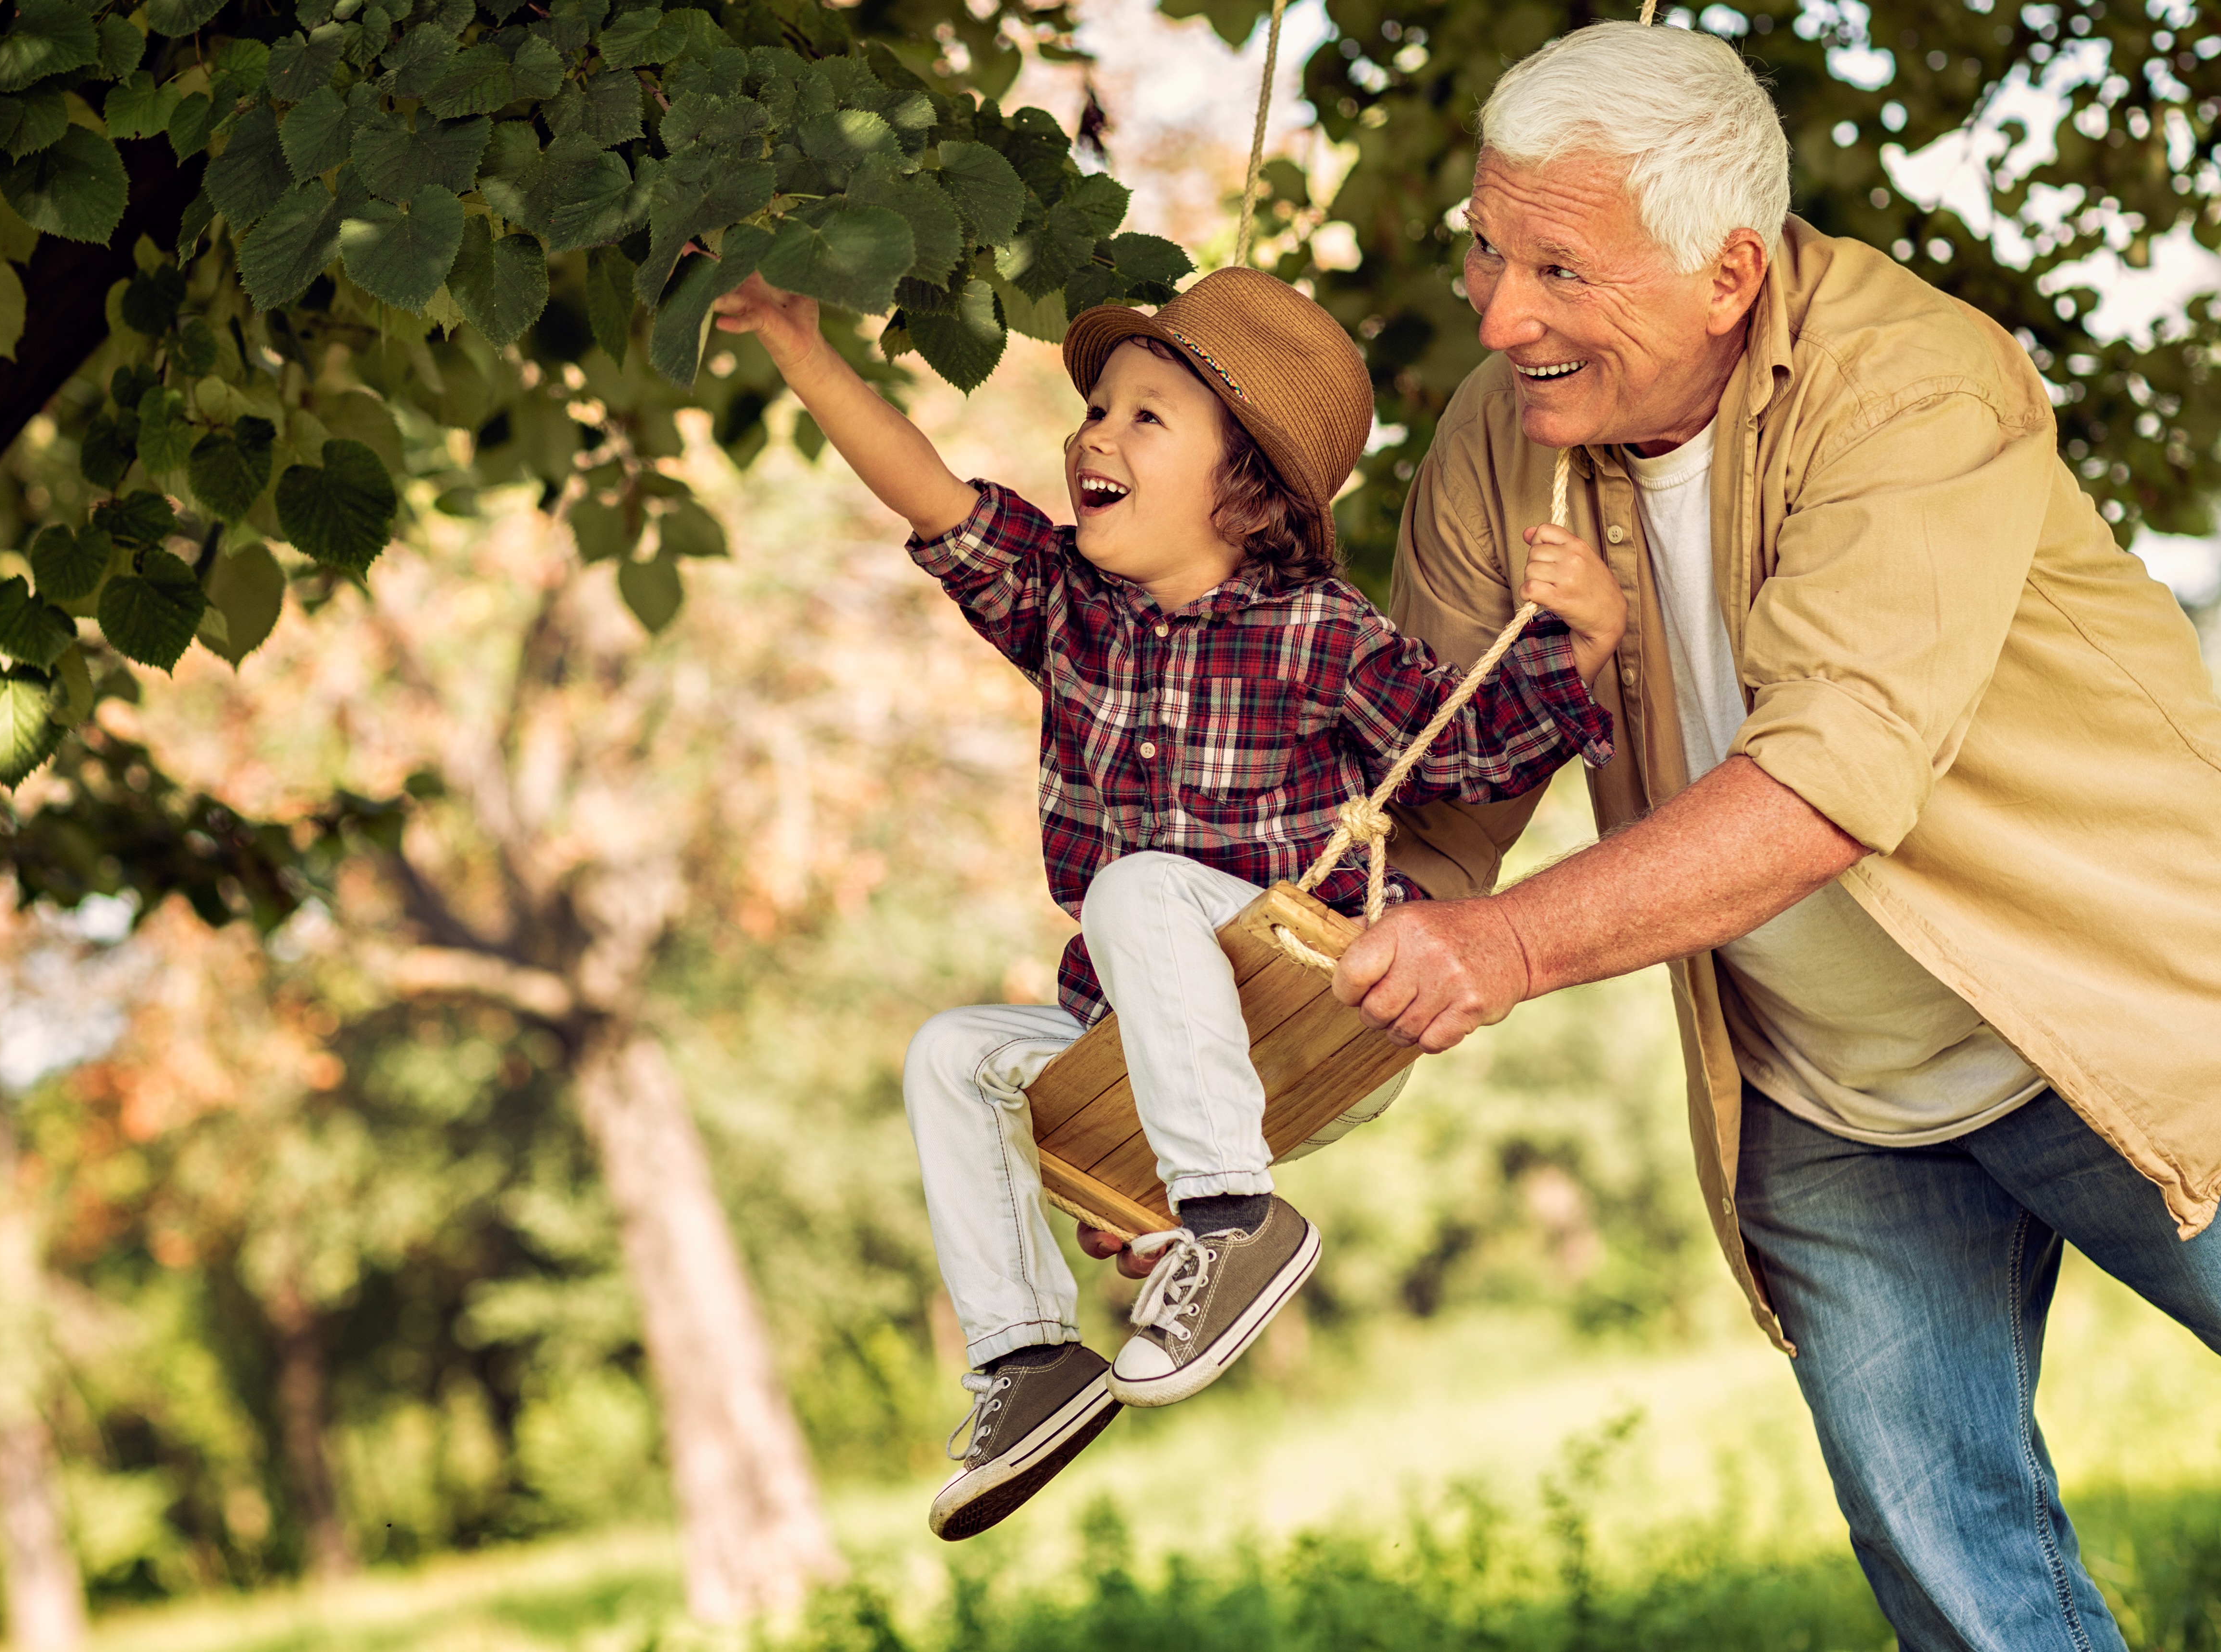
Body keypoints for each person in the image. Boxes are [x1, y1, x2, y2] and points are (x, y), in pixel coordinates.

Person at [1310, 22, 2221, 1647]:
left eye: (1557, 268)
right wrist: (1201, 1106)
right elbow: (1427, 828)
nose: (1499, 312)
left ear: (1728, 274)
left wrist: (1512, 947)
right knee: (1966, 1598)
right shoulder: (1498, 437)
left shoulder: (1916, 382)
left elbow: (1829, 777)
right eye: (1484, 250)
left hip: (2132, 1012)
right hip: (1826, 1095)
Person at [710, 264, 1629, 1539]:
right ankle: (1027, 1358)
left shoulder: (1315, 627)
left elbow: (1464, 753)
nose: (1095, 432)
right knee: (955, 1054)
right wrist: (806, 351)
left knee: (1138, 887)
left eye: (1148, 415)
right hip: (1154, 1047)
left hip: (1311, 1002)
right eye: (1099, 406)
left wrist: (1578, 637)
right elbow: (936, 500)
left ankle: (1233, 1225)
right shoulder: (1068, 611)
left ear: (1244, 488)